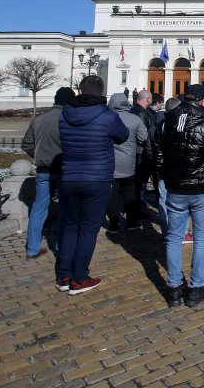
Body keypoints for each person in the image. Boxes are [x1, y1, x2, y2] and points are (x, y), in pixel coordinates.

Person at [56, 75, 129, 295]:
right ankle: (79, 279)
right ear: (101, 93)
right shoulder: (107, 116)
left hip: (69, 177)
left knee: (69, 227)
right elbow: (123, 136)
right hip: (96, 179)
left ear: (79, 91)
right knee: (88, 230)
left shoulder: (64, 115)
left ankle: (64, 275)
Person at [160, 84, 204, 307]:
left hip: (176, 186)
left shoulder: (166, 120)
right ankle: (195, 286)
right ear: (202, 101)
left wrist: (165, 176)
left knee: (173, 237)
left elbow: (158, 152)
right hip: (202, 189)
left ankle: (174, 287)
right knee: (200, 239)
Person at [21, 87, 74, 259]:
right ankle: (61, 248)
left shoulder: (39, 120)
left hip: (43, 170)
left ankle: (32, 248)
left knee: (38, 208)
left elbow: (27, 144)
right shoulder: (69, 120)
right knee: (66, 209)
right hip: (65, 170)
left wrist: (39, 156)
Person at [106, 93, 149, 234]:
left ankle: (113, 222)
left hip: (110, 162)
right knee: (129, 192)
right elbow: (144, 138)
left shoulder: (106, 119)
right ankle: (131, 221)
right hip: (128, 162)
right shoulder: (134, 119)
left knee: (112, 193)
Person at [130, 90, 156, 217]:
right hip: (141, 152)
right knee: (140, 181)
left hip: (139, 151)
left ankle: (139, 204)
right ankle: (138, 206)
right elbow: (144, 135)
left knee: (140, 181)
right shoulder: (141, 113)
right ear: (148, 100)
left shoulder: (136, 110)